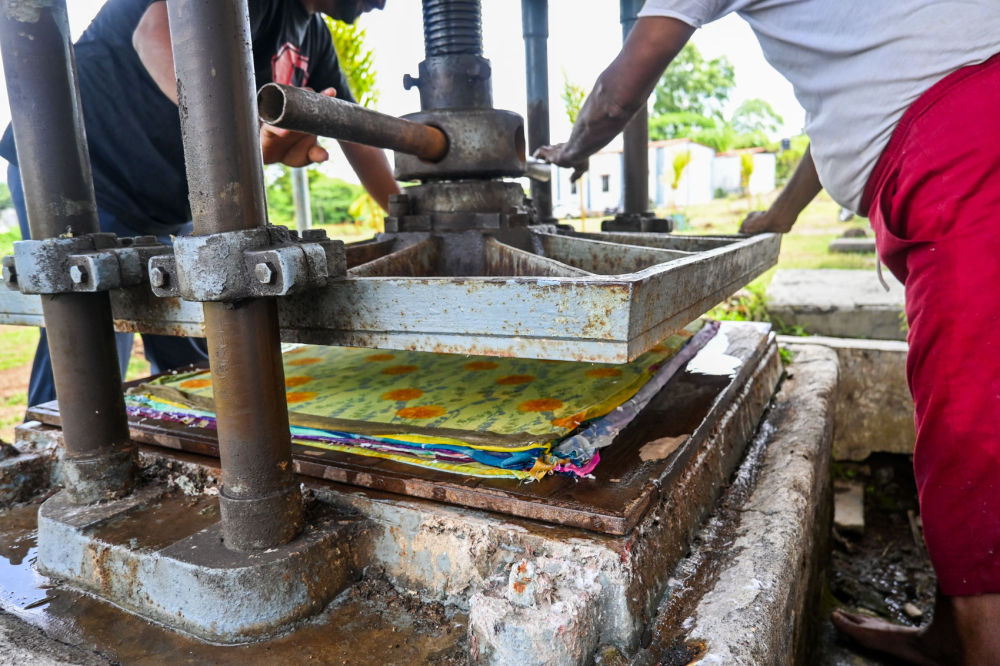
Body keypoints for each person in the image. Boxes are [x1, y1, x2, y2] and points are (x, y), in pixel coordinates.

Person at [536, 2, 1000, 663]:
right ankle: (967, 629)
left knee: (972, 409)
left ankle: (980, 646)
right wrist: (781, 213)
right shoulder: (886, 38)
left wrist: (569, 152)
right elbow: (857, 111)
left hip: (969, 143)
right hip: (965, 123)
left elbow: (620, 89)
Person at [0, 0, 399, 408]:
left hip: (163, 208)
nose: (382, 3)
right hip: (81, 175)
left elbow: (357, 132)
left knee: (199, 353)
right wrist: (246, 131)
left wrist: (404, 210)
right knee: (90, 340)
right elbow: (155, 33)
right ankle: (56, 448)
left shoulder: (313, 35)